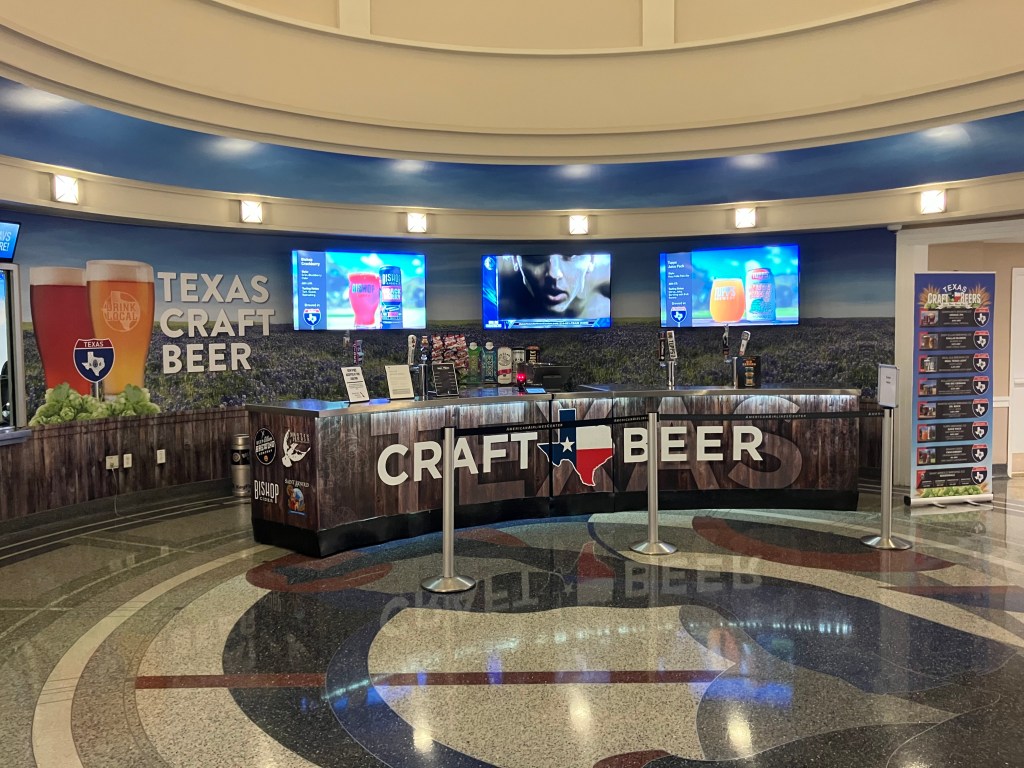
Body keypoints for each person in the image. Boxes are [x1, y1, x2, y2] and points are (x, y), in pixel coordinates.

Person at [499, 254, 610, 319]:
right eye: (537, 256)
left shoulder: (603, 312)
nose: (554, 274)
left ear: (591, 261)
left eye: (570, 255)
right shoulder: (500, 310)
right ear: (515, 260)